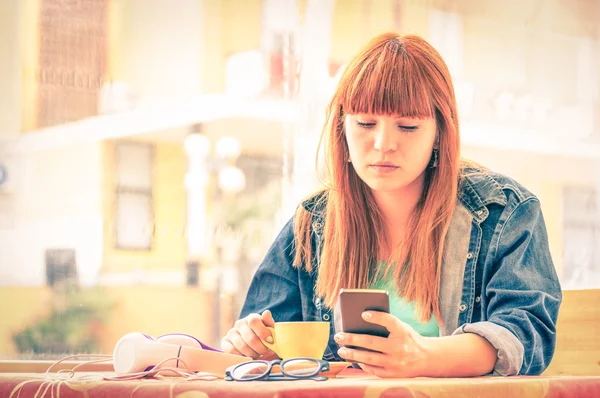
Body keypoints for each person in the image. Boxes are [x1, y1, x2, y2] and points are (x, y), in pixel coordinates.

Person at [220, 32, 562, 377]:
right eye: (365, 123)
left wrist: (424, 356)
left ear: (441, 131)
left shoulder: (503, 212)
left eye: (408, 126)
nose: (383, 144)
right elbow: (264, 347)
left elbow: (526, 334)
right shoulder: (313, 222)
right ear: (342, 127)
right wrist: (255, 345)